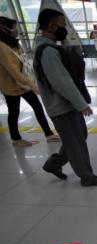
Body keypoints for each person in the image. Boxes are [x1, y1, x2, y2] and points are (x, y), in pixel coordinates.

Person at [33, 9, 97, 187]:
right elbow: (62, 81)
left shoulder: (52, 47)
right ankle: (87, 176)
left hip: (66, 105)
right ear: (51, 26)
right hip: (61, 107)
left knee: (78, 135)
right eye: (62, 24)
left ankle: (54, 163)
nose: (65, 28)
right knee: (75, 143)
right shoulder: (47, 51)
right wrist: (81, 104)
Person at [0, 16, 60, 147]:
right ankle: (16, 138)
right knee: (14, 112)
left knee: (37, 107)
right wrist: (32, 84)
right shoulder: (1, 46)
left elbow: (23, 61)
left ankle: (48, 133)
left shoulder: (12, 43)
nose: (15, 30)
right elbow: (13, 71)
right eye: (12, 27)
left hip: (23, 83)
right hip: (11, 86)